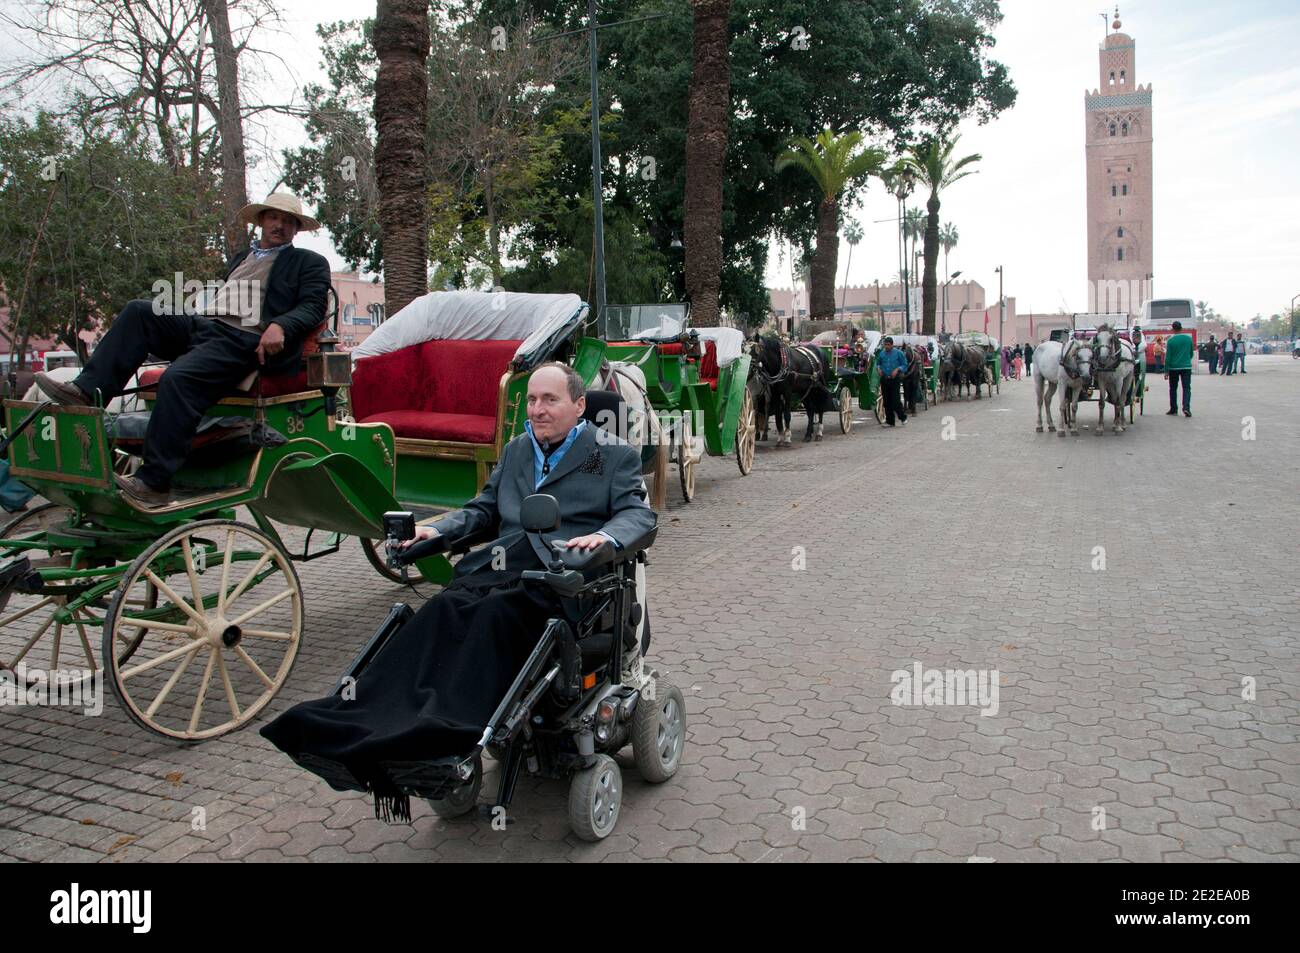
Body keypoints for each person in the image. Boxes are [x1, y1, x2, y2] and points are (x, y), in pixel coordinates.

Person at [260, 363, 657, 817]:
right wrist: (438, 533)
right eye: (531, 400)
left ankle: (446, 729)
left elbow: (637, 515)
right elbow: (484, 510)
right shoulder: (516, 451)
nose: (538, 410)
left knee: (492, 617)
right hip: (501, 567)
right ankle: (371, 720)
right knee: (442, 610)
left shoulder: (610, 454)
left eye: (550, 400)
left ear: (579, 404)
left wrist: (603, 539)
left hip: (567, 580)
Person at [33, 192, 331, 507]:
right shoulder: (241, 257)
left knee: (178, 378)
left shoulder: (308, 262)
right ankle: (86, 391)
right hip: (207, 327)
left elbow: (313, 306)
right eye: (274, 217)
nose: (280, 226)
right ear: (261, 220)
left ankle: (154, 482)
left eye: (288, 221)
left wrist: (281, 325)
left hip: (245, 339)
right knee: (139, 312)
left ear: (297, 229)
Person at [1163, 320, 1193, 418]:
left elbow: (1168, 357)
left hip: (1173, 368)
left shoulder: (1171, 341)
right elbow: (1191, 353)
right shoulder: (1188, 339)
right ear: (1181, 328)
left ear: (1173, 329)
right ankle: (1186, 408)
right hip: (1186, 367)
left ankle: (1173, 409)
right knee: (1186, 388)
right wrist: (1186, 360)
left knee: (1173, 389)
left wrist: (1166, 370)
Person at [877, 336, 908, 427]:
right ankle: (890, 421)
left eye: (888, 345)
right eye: (885, 345)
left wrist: (898, 369)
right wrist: (878, 368)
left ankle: (902, 417)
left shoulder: (899, 353)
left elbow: (905, 365)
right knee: (886, 401)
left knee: (895, 400)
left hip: (895, 379)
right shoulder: (882, 354)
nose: (886, 347)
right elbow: (878, 363)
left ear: (892, 345)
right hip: (884, 379)